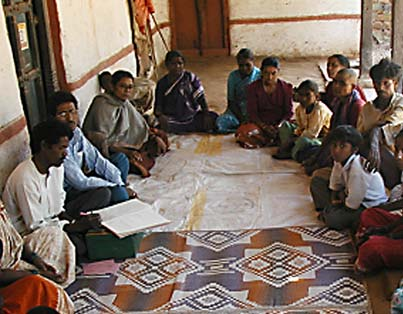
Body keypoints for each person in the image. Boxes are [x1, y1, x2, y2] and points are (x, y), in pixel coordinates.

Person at [3, 120, 102, 260]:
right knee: (79, 246)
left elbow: (59, 206)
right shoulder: (24, 178)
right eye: (61, 148)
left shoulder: (57, 167)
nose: (65, 154)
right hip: (31, 236)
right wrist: (74, 227)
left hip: (54, 221)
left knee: (102, 196)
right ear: (44, 146)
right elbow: (35, 226)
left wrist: (74, 221)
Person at [47, 91, 134, 219]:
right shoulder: (56, 144)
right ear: (53, 117)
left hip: (83, 177)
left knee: (120, 160)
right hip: (69, 192)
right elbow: (80, 182)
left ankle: (119, 195)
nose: (70, 118)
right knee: (108, 194)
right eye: (62, 114)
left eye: (72, 111)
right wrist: (113, 185)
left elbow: (97, 160)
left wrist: (119, 183)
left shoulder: (76, 132)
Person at [84, 70, 168, 178]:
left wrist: (153, 136)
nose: (127, 91)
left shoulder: (124, 102)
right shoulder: (101, 104)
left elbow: (139, 126)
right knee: (130, 161)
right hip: (108, 150)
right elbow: (102, 141)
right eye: (122, 86)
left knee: (160, 138)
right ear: (113, 86)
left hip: (125, 142)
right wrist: (127, 152)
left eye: (130, 87)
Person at [310, 125, 388, 231]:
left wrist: (339, 204)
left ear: (354, 150)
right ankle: (327, 210)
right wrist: (334, 200)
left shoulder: (358, 169)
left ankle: (329, 213)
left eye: (342, 146)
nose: (336, 150)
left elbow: (353, 205)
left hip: (368, 205)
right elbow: (335, 184)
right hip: (348, 196)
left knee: (334, 219)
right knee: (317, 180)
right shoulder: (339, 161)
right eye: (334, 145)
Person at [0, 203, 74, 313]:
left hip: (14, 264)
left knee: (54, 236)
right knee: (41, 286)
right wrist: (34, 273)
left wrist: (35, 259)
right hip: (5, 279)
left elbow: (16, 240)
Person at [303, 68, 367, 175]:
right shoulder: (337, 102)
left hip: (349, 146)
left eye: (342, 84)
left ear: (352, 87)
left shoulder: (357, 106)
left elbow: (355, 138)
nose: (336, 86)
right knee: (309, 150)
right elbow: (332, 131)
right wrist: (317, 156)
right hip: (337, 140)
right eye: (335, 82)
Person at [357, 58, 403, 189]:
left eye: (386, 83)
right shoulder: (367, 109)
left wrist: (375, 140)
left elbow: (388, 126)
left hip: (396, 159)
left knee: (376, 142)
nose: (380, 88)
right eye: (377, 83)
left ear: (395, 83)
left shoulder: (400, 103)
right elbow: (360, 135)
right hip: (369, 154)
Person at [154, 50, 218, 133]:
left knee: (214, 118)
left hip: (192, 116)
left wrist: (206, 115)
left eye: (180, 63)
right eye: (173, 64)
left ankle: (183, 128)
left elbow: (201, 98)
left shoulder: (191, 78)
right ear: (167, 65)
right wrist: (160, 116)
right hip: (173, 118)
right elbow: (158, 105)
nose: (177, 66)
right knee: (161, 125)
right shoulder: (162, 83)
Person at [236, 56, 293, 149]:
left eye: (273, 73)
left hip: (279, 125)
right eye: (266, 73)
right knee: (244, 132)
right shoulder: (252, 88)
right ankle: (273, 141)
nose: (269, 77)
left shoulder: (286, 88)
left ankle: (267, 141)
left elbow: (288, 112)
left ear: (278, 72)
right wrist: (265, 127)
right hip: (260, 125)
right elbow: (252, 113)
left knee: (291, 130)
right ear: (261, 72)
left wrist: (279, 126)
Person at [274, 80, 332, 161]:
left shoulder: (320, 110)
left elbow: (312, 134)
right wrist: (294, 136)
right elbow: (300, 127)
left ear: (317, 97)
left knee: (303, 141)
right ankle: (290, 148)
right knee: (285, 126)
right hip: (304, 134)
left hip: (320, 138)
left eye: (308, 95)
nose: (303, 98)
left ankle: (292, 153)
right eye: (301, 95)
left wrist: (293, 141)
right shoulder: (299, 109)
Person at [216, 48, 261, 133]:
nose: (244, 68)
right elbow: (231, 101)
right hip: (237, 111)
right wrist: (242, 118)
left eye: (248, 65)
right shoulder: (233, 76)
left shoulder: (260, 75)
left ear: (253, 62)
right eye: (241, 65)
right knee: (221, 122)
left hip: (256, 111)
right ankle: (244, 128)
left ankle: (245, 128)